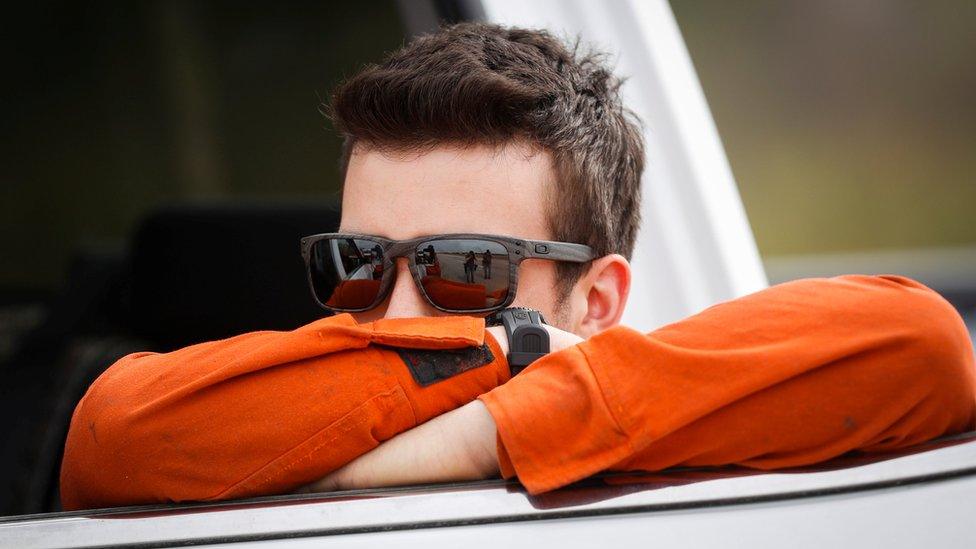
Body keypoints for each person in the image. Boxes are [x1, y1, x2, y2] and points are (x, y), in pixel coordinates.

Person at [59, 23, 975, 510]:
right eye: (359, 263)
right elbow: (111, 436)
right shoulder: (277, 410)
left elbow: (924, 340)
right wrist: (509, 357)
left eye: (467, 268)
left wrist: (482, 431)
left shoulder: (674, 425)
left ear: (601, 297)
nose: (402, 312)